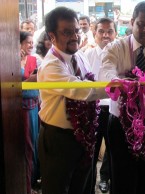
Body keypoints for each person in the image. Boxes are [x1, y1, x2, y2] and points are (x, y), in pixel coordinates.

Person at [99, 1, 145, 193]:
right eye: (141, 24)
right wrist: (122, 84)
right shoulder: (116, 48)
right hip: (120, 123)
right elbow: (106, 72)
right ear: (132, 22)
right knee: (121, 178)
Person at [37, 7, 107, 194]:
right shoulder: (51, 65)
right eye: (67, 32)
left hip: (83, 135)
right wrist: (119, 88)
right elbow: (83, 90)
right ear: (52, 36)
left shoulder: (80, 56)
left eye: (76, 30)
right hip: (58, 139)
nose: (75, 36)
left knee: (82, 187)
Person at [84, 17, 117, 194]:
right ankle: (90, 184)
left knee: (112, 149)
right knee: (92, 149)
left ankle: (105, 179)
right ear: (94, 33)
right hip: (94, 109)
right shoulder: (86, 55)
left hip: (114, 109)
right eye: (101, 31)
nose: (105, 35)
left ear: (115, 33)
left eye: (109, 31)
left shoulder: (121, 54)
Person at [20, 31, 40, 194]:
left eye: (32, 42)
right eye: (27, 42)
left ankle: (33, 180)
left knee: (35, 144)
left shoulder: (35, 60)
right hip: (21, 109)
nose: (31, 45)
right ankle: (26, 185)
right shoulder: (10, 61)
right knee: (26, 147)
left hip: (35, 108)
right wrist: (28, 82)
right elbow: (10, 90)